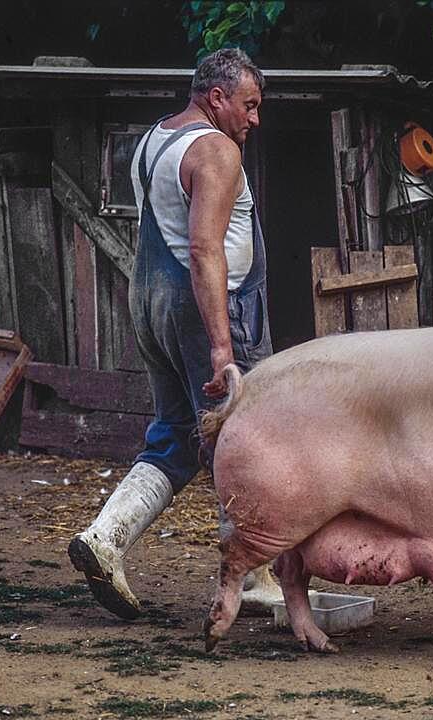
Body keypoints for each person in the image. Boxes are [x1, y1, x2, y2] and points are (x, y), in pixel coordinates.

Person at [68, 48, 280, 619]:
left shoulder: (156, 139)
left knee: (177, 433)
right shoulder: (217, 150)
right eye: (249, 105)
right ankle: (253, 574)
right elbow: (206, 248)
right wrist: (221, 345)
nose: (254, 119)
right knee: (245, 436)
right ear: (217, 98)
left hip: (151, 305)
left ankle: (106, 537)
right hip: (209, 310)